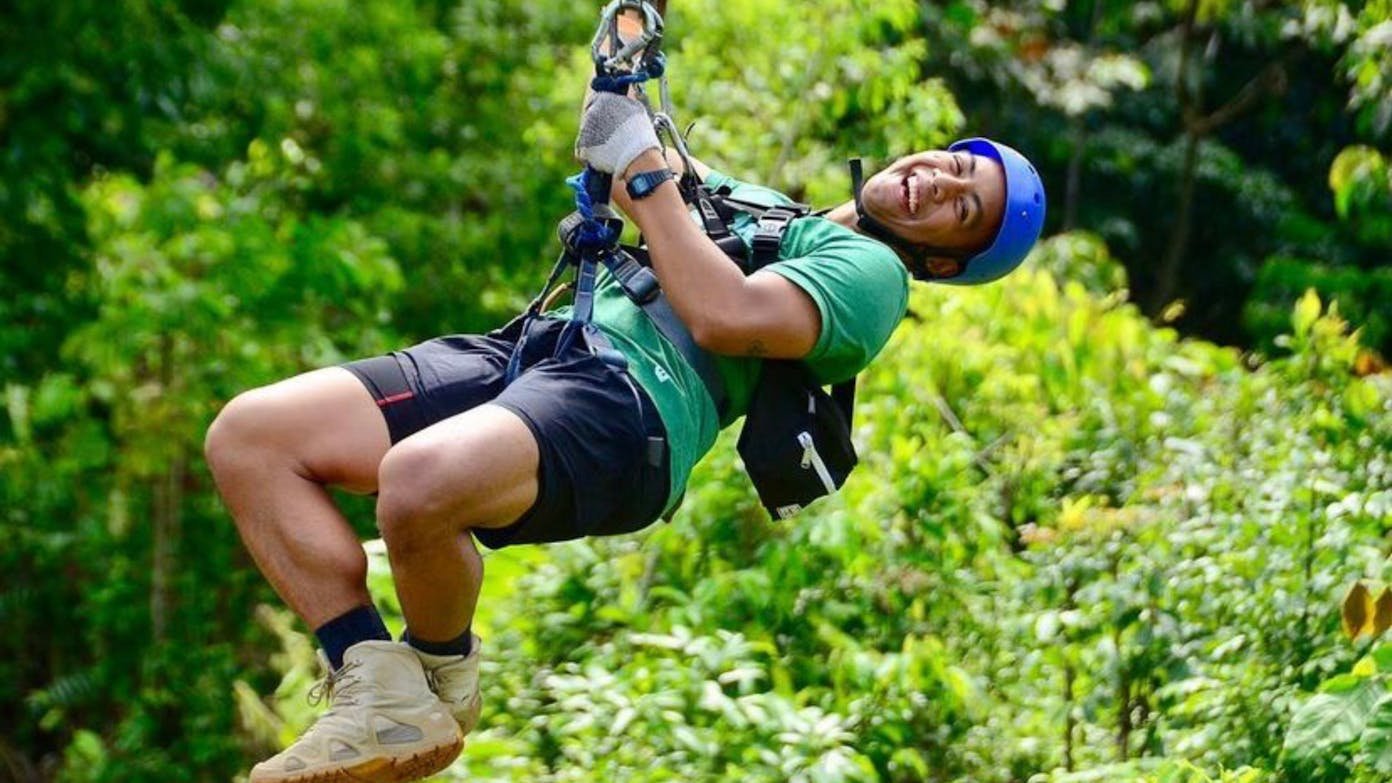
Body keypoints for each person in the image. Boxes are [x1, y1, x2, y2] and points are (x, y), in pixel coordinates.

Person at [203, 27, 1046, 783]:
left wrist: (640, 164)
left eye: (960, 210)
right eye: (955, 165)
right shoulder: (767, 208)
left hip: (636, 404)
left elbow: (727, 312)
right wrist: (621, 75)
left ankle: (436, 673)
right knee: (255, 438)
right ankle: (371, 682)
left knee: (418, 481)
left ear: (940, 262)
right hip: (541, 350)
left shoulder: (872, 276)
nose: (936, 184)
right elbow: (643, 165)